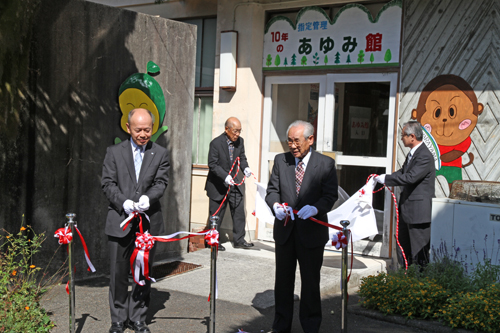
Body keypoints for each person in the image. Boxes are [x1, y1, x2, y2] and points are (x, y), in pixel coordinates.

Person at [265, 120, 338, 333]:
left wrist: (316, 209)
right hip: (285, 233)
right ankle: (281, 326)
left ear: (310, 139)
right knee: (283, 283)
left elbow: (330, 195)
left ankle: (311, 326)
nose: (292, 145)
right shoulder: (281, 161)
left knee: (310, 284)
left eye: (297, 141)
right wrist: (275, 205)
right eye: (289, 141)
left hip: (311, 234)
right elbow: (272, 191)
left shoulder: (325, 164)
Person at [102, 108, 170, 333]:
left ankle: (138, 317)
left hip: (147, 224)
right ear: (128, 127)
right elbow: (108, 183)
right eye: (139, 129)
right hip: (120, 220)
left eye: (148, 129)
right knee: (118, 273)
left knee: (143, 272)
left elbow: (161, 183)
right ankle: (118, 319)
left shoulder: (159, 153)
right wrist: (124, 202)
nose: (143, 134)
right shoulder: (114, 152)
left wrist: (147, 198)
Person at [375, 120, 435, 267]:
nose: (402, 138)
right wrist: (384, 178)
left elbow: (410, 177)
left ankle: (420, 285)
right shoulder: (412, 154)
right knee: (403, 249)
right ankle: (405, 280)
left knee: (419, 254)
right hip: (407, 211)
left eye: (403, 135)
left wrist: (387, 179)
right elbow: (403, 172)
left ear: (412, 137)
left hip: (419, 214)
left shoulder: (424, 156)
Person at [205, 117, 254, 251]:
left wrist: (246, 168)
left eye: (239, 131)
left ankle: (239, 240)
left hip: (233, 182)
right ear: (227, 129)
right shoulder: (216, 143)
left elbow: (242, 158)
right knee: (216, 214)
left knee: (238, 210)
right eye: (235, 131)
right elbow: (212, 164)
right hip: (217, 184)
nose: (237, 134)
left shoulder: (240, 142)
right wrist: (224, 176)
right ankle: (213, 241)